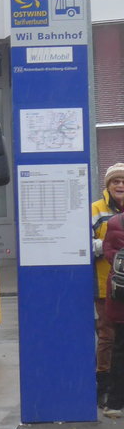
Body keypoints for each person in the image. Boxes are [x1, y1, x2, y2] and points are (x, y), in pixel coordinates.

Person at [92, 163, 124, 406]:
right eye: (115, 181)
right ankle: (103, 384)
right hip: (105, 284)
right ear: (108, 185)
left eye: (123, 181)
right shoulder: (96, 209)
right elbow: (83, 243)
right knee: (107, 335)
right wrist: (107, 245)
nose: (120, 185)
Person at [98, 213, 124, 417]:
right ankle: (115, 401)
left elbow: (111, 254)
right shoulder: (116, 223)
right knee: (118, 348)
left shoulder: (116, 222)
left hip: (120, 297)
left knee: (119, 349)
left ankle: (116, 402)